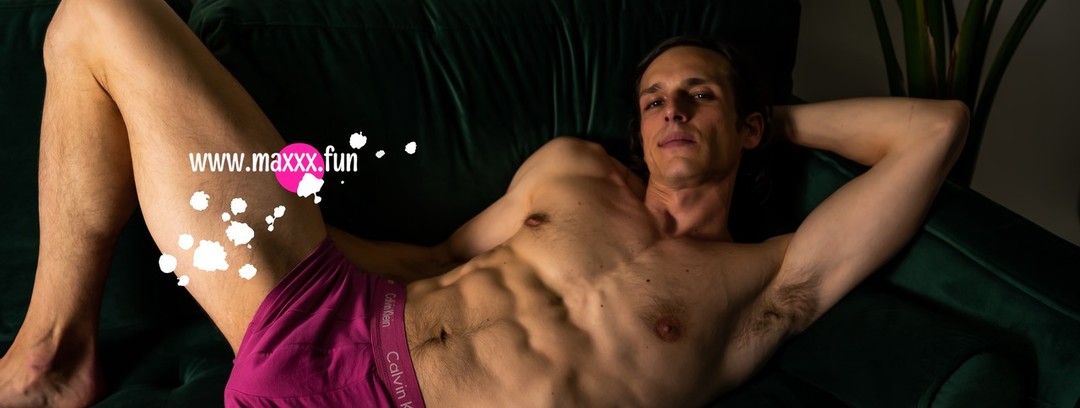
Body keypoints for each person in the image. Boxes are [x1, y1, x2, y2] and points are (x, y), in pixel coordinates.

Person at [0, 0, 969, 406]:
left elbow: (936, 129)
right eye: (652, 100)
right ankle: (54, 353)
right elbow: (435, 258)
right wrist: (282, 227)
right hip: (327, 320)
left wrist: (778, 118)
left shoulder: (768, 282)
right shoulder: (570, 171)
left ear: (747, 126)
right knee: (98, 13)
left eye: (698, 96)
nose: (670, 112)